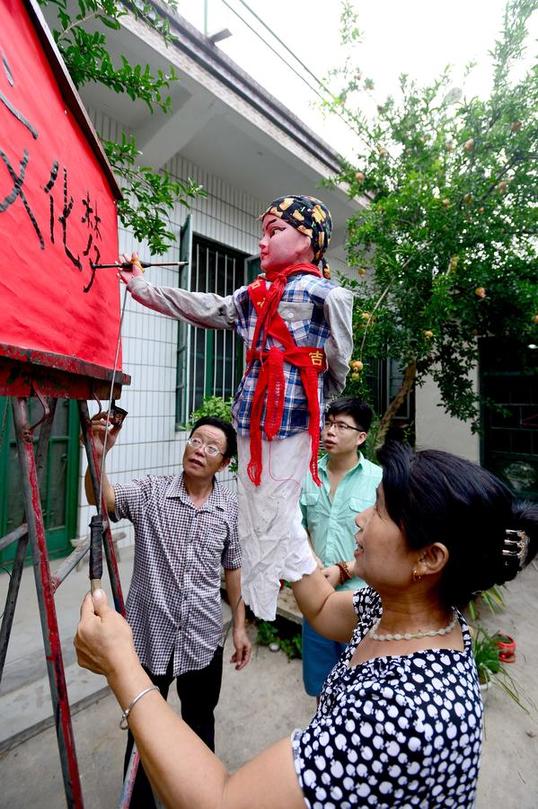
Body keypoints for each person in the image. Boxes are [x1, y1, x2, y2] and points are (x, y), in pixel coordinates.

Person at [76, 442, 538, 808]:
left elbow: (220, 801)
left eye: (377, 510)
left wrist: (120, 663)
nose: (360, 518)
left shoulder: (406, 715)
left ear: (430, 557)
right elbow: (318, 605)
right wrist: (279, 511)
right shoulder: (404, 610)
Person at [118, 194, 353, 619]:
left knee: (275, 505)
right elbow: (203, 307)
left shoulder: (328, 295)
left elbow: (338, 360)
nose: (262, 242)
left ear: (307, 240)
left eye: (275, 231)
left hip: (294, 418)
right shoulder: (253, 293)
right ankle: (273, 592)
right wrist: (140, 287)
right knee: (253, 504)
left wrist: (322, 401)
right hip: (250, 413)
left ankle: (281, 594)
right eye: (264, 232)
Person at [85, 414, 251, 809]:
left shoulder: (229, 507)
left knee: (199, 722)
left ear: (224, 463)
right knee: (143, 730)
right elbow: (102, 498)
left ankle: (198, 796)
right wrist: (97, 453)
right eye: (196, 441)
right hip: (150, 638)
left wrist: (240, 627)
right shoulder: (151, 493)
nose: (200, 450)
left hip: (203, 637)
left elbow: (233, 569)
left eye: (213, 447)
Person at [300, 397, 381, 700]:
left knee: (359, 687)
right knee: (321, 686)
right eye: (328, 423)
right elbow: (299, 525)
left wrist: (344, 569)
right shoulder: (307, 474)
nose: (330, 431)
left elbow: (385, 543)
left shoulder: (379, 480)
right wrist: (312, 560)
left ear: (361, 437)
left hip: (362, 600)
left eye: (341, 426)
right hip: (316, 594)